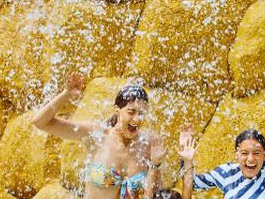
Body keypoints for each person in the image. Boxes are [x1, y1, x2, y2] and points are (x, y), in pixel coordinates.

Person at [31, 73, 165, 199]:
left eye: (141, 113)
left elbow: (154, 195)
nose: (137, 119)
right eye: (131, 112)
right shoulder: (97, 135)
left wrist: (155, 165)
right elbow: (41, 122)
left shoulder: (148, 144)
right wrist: (66, 94)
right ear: (117, 111)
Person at [179, 127, 265, 199]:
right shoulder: (227, 173)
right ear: (236, 154)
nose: (251, 159)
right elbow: (192, 184)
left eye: (257, 153)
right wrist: (187, 161)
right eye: (244, 153)